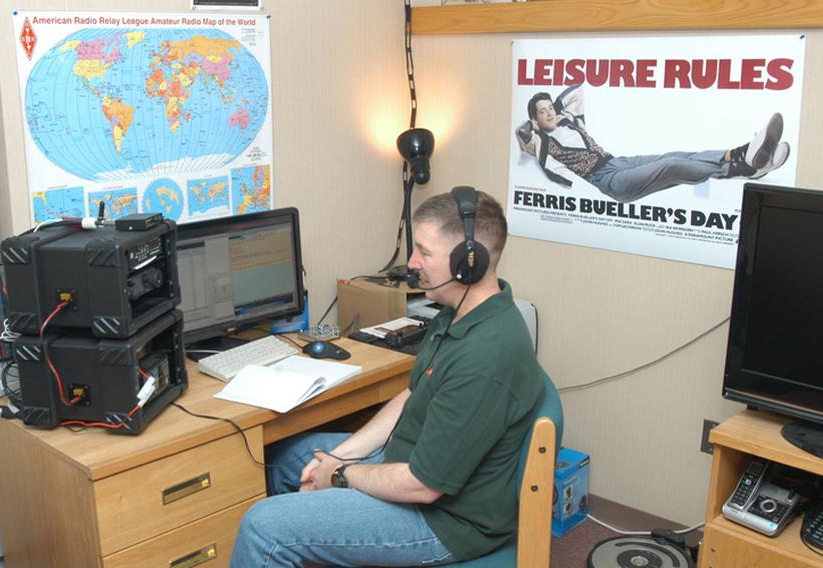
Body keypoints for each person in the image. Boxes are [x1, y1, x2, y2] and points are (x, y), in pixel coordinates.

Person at [230, 188, 549, 567]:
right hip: (407, 460)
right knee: (282, 458)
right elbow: (413, 395)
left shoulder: (487, 355)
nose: (412, 262)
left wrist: (342, 474)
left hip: (444, 521)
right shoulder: (456, 313)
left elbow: (422, 485)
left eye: (425, 253)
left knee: (264, 529)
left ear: (470, 263)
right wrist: (339, 456)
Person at [515, 84, 790, 203]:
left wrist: (558, 109)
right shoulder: (544, 143)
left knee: (677, 155)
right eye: (543, 110)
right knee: (671, 166)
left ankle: (743, 155)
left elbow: (576, 90)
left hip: (617, 162)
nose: (550, 111)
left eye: (550, 107)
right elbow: (521, 134)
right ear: (536, 119)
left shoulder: (573, 120)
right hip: (609, 182)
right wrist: (537, 124)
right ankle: (743, 168)